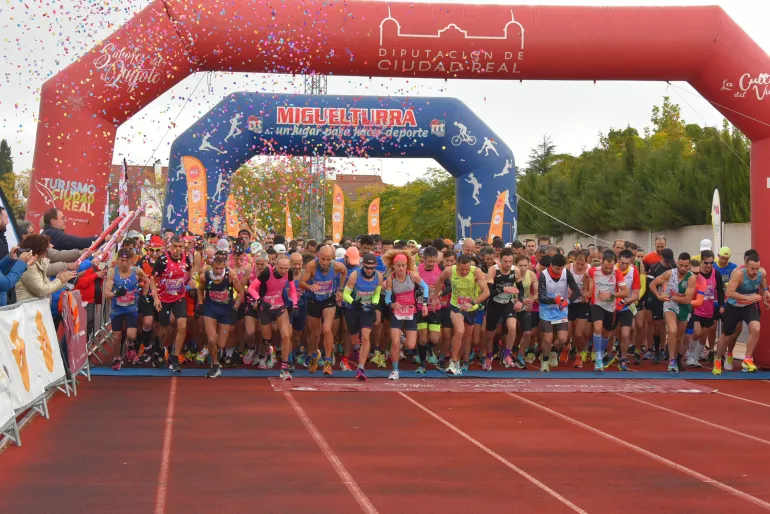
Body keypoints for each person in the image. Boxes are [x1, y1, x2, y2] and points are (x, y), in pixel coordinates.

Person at [431, 254, 490, 376]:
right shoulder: (449, 271)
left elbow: (486, 292)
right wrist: (435, 297)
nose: (464, 272)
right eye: (462, 269)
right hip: (456, 305)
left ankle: (457, 360)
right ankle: (453, 362)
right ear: (457, 265)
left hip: (471, 307)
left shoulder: (476, 272)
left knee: (467, 337)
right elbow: (440, 280)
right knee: (459, 330)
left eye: (467, 269)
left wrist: (472, 303)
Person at [713, 252, 770, 375]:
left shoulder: (761, 272)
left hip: (748, 307)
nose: (755, 272)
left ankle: (747, 359)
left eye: (757, 268)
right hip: (734, 307)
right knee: (727, 335)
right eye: (752, 269)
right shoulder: (739, 274)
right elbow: (729, 292)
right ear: (746, 266)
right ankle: (717, 359)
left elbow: (764, 281)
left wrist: (765, 292)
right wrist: (748, 298)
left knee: (756, 328)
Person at [104, 248, 159, 371]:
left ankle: (130, 346)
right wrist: (116, 293)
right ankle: (117, 358)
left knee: (131, 336)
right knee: (117, 336)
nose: (124, 263)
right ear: (117, 260)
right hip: (117, 309)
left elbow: (147, 280)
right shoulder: (112, 272)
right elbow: (106, 294)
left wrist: (144, 295)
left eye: (126, 261)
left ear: (131, 261)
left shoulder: (137, 271)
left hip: (131, 308)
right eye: (121, 260)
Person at [299, 245, 347, 375]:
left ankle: (327, 362)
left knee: (327, 329)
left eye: (328, 259)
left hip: (328, 300)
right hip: (314, 301)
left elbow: (344, 271)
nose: (325, 262)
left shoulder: (336, 266)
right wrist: (309, 286)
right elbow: (301, 283)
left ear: (332, 258)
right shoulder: (311, 266)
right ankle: (314, 356)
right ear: (317, 256)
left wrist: (340, 289)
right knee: (315, 333)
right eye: (323, 259)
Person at [383, 250, 429, 380]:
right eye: (398, 265)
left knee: (410, 345)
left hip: (411, 311)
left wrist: (425, 304)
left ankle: (402, 336)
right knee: (395, 343)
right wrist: (391, 304)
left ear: (406, 265)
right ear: (394, 266)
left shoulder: (412, 275)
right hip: (397, 312)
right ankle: (395, 370)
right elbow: (387, 299)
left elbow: (425, 287)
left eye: (403, 265)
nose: (401, 268)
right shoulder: (391, 279)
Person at [649, 252, 699, 373]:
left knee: (679, 337)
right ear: (677, 263)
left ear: (689, 265)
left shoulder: (691, 278)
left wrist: (672, 296)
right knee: (672, 330)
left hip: (683, 307)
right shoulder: (669, 273)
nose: (683, 268)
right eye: (681, 265)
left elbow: (687, 299)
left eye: (686, 266)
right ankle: (671, 361)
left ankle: (676, 358)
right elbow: (652, 284)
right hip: (670, 305)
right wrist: (659, 296)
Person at [198, 254, 244, 378]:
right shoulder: (205, 276)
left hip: (226, 311)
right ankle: (215, 365)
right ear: (212, 267)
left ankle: (213, 352)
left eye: (221, 268)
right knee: (212, 339)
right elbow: (200, 289)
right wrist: (200, 303)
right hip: (210, 309)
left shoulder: (231, 276)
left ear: (225, 267)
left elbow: (240, 293)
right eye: (216, 268)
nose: (218, 271)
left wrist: (235, 309)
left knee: (221, 344)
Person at [151, 235, 192, 373]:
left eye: (180, 247)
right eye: (175, 246)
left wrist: (190, 281)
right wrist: (156, 298)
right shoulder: (163, 260)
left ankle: (175, 357)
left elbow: (189, 271)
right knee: (165, 329)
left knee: (182, 325)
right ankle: (159, 348)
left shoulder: (186, 258)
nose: (177, 249)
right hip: (164, 298)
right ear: (170, 246)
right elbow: (152, 279)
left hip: (179, 297)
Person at [584, 252, 629, 372]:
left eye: (611, 267)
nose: (608, 270)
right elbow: (586, 275)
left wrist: (611, 294)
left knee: (606, 334)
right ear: (601, 264)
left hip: (610, 307)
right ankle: (598, 358)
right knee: (597, 328)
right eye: (606, 268)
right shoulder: (594, 270)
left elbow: (625, 292)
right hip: (597, 304)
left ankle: (601, 352)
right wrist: (586, 290)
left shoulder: (617, 272)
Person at [342, 253, 383, 381]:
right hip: (353, 309)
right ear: (363, 265)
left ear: (376, 266)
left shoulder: (379, 276)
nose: (369, 270)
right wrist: (354, 302)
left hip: (367, 309)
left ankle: (361, 368)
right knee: (354, 337)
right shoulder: (355, 275)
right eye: (367, 267)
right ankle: (355, 347)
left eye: (372, 267)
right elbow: (345, 294)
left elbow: (376, 293)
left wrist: (374, 304)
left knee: (366, 336)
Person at [538, 253, 581, 372]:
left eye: (562, 268)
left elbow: (576, 291)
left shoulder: (566, 273)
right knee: (547, 338)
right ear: (551, 265)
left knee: (563, 339)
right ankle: (545, 360)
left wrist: (568, 301)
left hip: (560, 310)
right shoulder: (543, 275)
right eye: (557, 268)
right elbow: (541, 297)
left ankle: (553, 351)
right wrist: (553, 299)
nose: (560, 271)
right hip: (547, 310)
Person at [485, 248, 523, 370]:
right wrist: (503, 289)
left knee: (512, 328)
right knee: (490, 334)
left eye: (510, 261)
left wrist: (520, 301)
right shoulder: (493, 270)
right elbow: (488, 292)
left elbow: (521, 289)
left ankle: (507, 354)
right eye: (505, 261)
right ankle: (488, 356)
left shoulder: (515, 270)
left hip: (508, 303)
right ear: (499, 260)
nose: (507, 264)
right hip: (494, 304)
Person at [15, 234, 77, 302]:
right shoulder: (29, 265)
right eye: (45, 248)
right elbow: (41, 290)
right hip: (29, 308)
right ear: (38, 249)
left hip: (34, 307)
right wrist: (59, 280)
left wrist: (62, 280)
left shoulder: (38, 262)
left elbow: (47, 286)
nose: (48, 251)